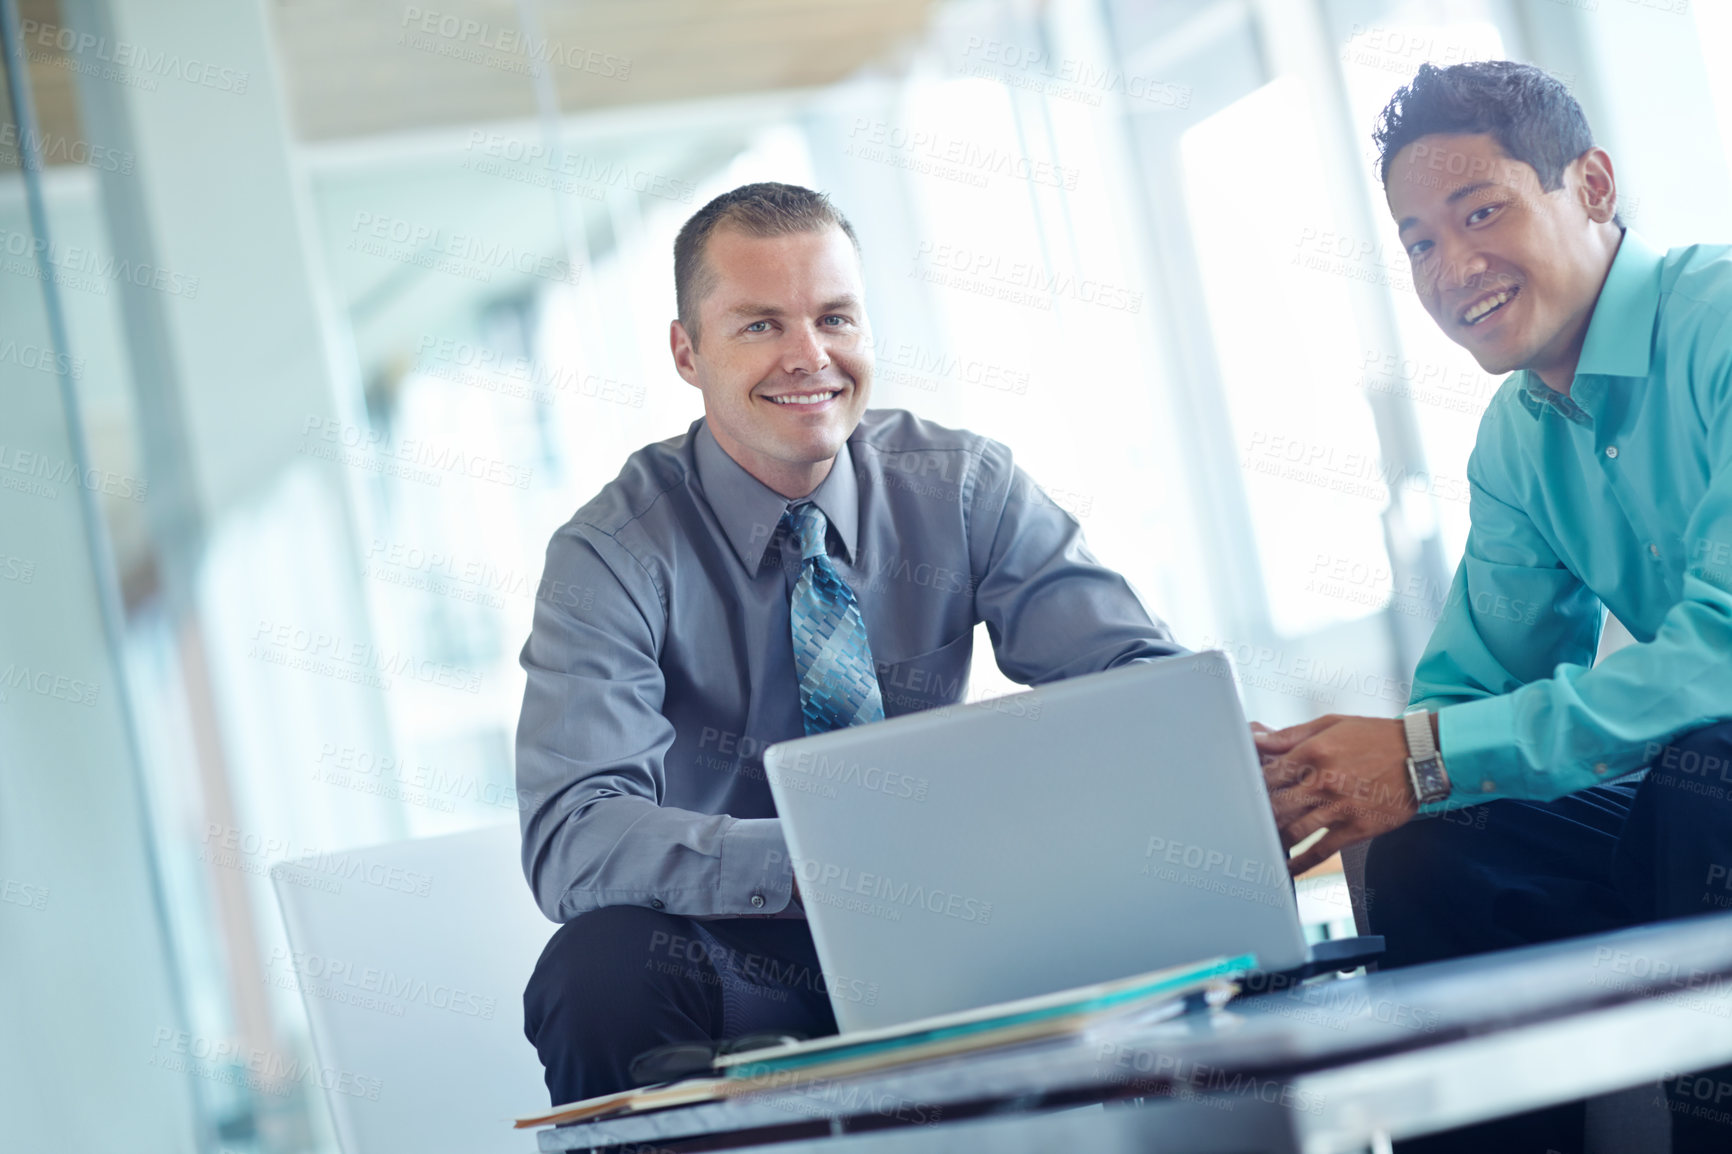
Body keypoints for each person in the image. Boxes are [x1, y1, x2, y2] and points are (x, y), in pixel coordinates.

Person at [516, 182, 1182, 1106]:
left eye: (835, 317)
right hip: (754, 947)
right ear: (686, 351)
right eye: (760, 326)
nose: (809, 357)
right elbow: (574, 835)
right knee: (598, 971)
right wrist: (836, 863)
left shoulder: (959, 485)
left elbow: (1145, 693)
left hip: (970, 912)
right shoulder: (613, 554)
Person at [1256, 62, 1732, 1152]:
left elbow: (1721, 651)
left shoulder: (1718, 324)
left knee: (1702, 770)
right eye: (1419, 240)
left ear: (1594, 186)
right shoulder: (1519, 435)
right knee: (1436, 841)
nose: (1451, 266)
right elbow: (1470, 693)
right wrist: (1320, 770)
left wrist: (1426, 750)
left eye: (1481, 212)